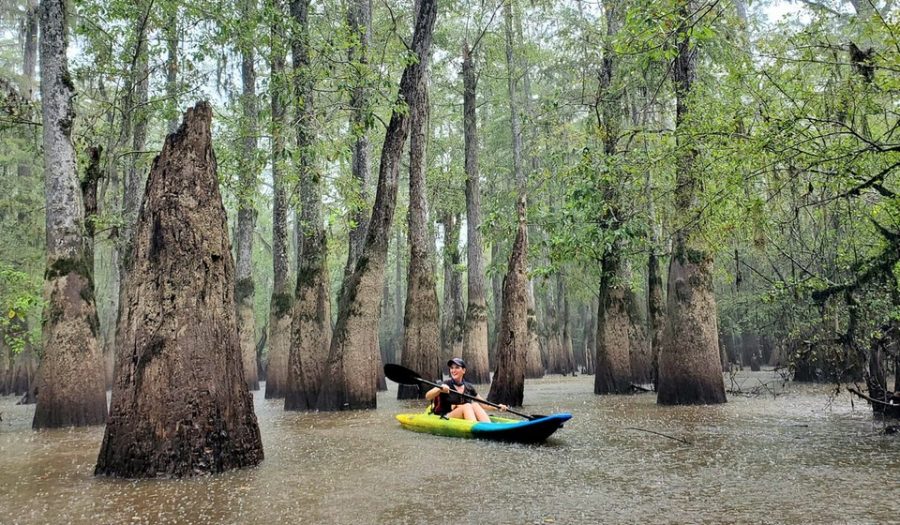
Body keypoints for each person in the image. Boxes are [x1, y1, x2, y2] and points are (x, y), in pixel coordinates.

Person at [425, 358, 507, 421]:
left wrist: (497, 407)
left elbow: (484, 404)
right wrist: (439, 389)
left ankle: (488, 426)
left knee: (475, 405)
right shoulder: (445, 384)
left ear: (463, 370)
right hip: (445, 416)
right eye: (451, 368)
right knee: (467, 406)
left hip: (463, 416)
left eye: (457, 367)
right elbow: (428, 396)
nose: (453, 370)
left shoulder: (469, 387)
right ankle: (476, 428)